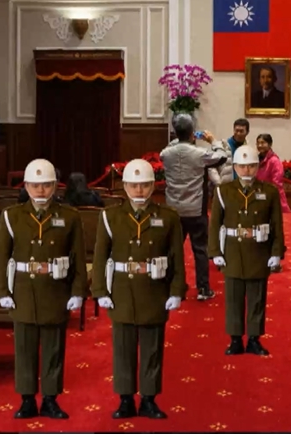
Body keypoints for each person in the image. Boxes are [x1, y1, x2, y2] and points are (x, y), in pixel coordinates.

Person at [90, 159, 187, 420]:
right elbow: (100, 257)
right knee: (123, 348)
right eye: (134, 185)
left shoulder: (168, 217)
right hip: (122, 290)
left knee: (152, 348)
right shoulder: (110, 217)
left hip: (154, 289)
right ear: (125, 187)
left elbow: (176, 258)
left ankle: (149, 399)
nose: (139, 190)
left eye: (144, 185)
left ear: (153, 186)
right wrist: (100, 291)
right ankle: (125, 399)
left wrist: (176, 290)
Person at [0, 159, 88, 419]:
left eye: (46, 185)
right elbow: (2, 257)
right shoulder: (12, 216)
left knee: (53, 348)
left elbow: (78, 258)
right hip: (23, 290)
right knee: (24, 348)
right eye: (35, 185)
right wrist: (1, 291)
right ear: (26, 186)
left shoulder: (69, 216)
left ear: (55, 186)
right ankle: (26, 399)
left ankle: (50, 399)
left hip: (55, 289)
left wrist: (78, 291)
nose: (41, 190)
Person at [208, 145, 285, 356]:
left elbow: (277, 225)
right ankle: (235, 339)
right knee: (233, 298)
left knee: (257, 297)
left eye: (251, 166)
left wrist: (276, 252)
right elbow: (215, 225)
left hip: (259, 251)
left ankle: (254, 338)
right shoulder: (223, 192)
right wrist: (215, 252)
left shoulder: (269, 192)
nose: (246, 170)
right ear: (234, 167)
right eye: (242, 166)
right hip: (233, 251)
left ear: (257, 167)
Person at [160, 113, 229, 301]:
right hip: (196, 209)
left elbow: (170, 148)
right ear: (192, 133)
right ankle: (203, 289)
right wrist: (213, 141)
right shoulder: (199, 154)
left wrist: (182, 139)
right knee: (200, 250)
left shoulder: (166, 154)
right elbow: (222, 157)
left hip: (173, 210)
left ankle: (174, 288)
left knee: (174, 250)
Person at [255, 134, 291, 213]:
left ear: (270, 144)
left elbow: (277, 184)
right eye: (258, 143)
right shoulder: (256, 160)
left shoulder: (274, 161)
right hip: (259, 197)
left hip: (273, 198)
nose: (260, 145)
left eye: (263, 143)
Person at [209, 118, 250, 186]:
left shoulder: (248, 149)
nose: (238, 133)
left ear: (247, 132)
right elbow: (211, 166)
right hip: (225, 186)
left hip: (241, 186)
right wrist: (218, 182)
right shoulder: (222, 145)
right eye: (236, 130)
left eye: (241, 131)